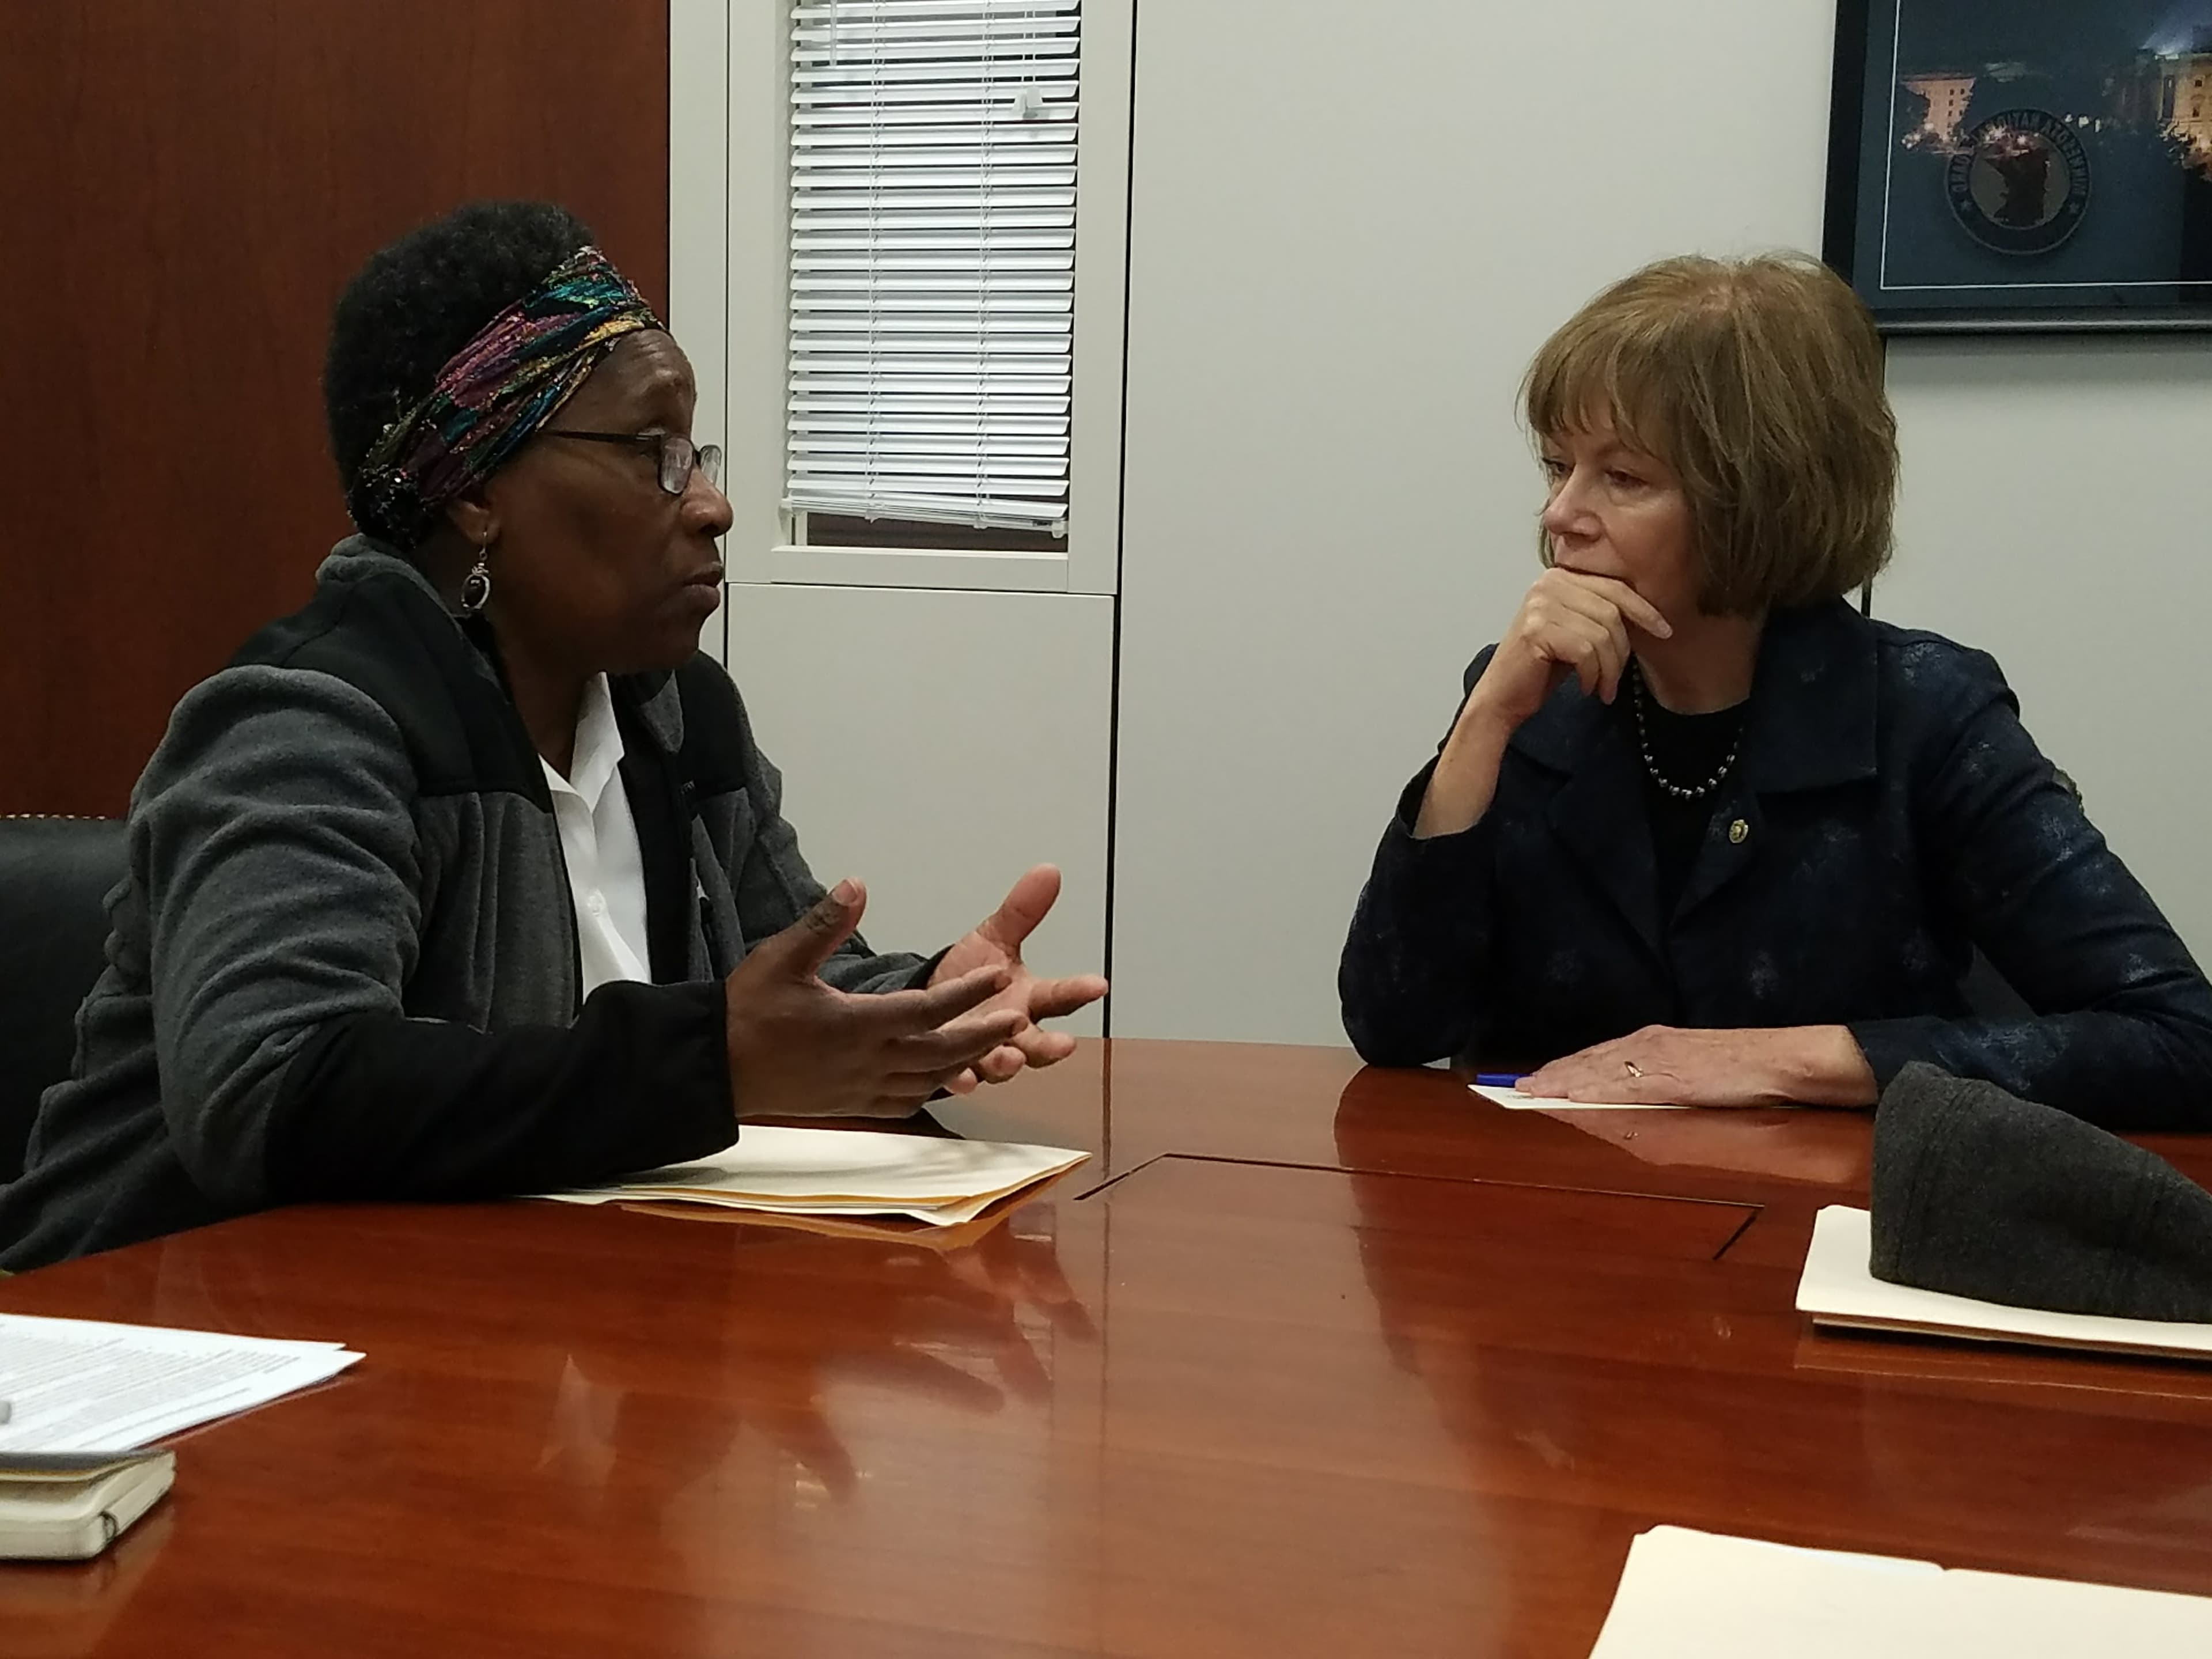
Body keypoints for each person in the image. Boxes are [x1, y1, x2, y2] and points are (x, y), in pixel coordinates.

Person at [0, 200, 1105, 1269]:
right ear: (476, 492)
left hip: (480, 1327)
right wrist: (710, 1064)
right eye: (654, 455)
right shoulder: (307, 722)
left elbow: (775, 1000)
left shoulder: (676, 711)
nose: (712, 505)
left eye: (700, 452)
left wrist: (922, 1009)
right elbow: (270, 1093)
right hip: (150, 1348)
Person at [1338, 252, 2212, 1127]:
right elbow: (1394, 1023)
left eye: (1623, 476)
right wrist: (1486, 718)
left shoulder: (1923, 713)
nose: (1561, 513)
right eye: (1557, 466)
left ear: (1756, 497)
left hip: (1822, 1228)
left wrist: (1777, 1057)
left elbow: (2182, 1041)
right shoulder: (1533, 702)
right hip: (1565, 1220)